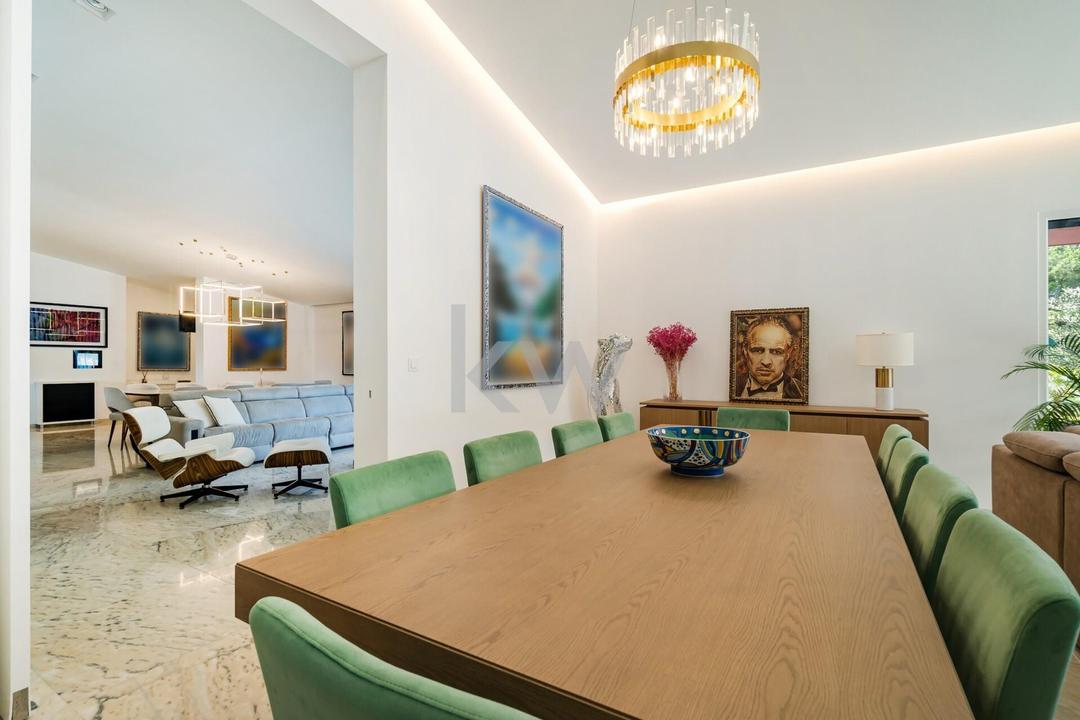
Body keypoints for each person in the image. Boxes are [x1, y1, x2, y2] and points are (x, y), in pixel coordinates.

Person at [734, 316, 804, 400]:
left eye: (776, 352)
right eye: (758, 350)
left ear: (788, 353)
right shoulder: (734, 384)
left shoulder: (800, 391)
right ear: (745, 350)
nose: (766, 362)